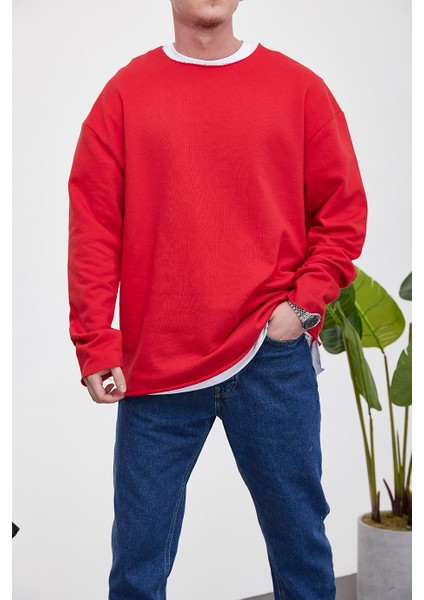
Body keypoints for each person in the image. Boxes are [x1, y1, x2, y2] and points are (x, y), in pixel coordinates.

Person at [67, 1, 368, 598]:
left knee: (301, 546)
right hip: (158, 365)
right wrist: (95, 339)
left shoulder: (299, 90)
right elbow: (94, 226)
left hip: (270, 356)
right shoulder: (125, 95)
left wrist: (302, 307)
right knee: (137, 562)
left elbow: (341, 214)